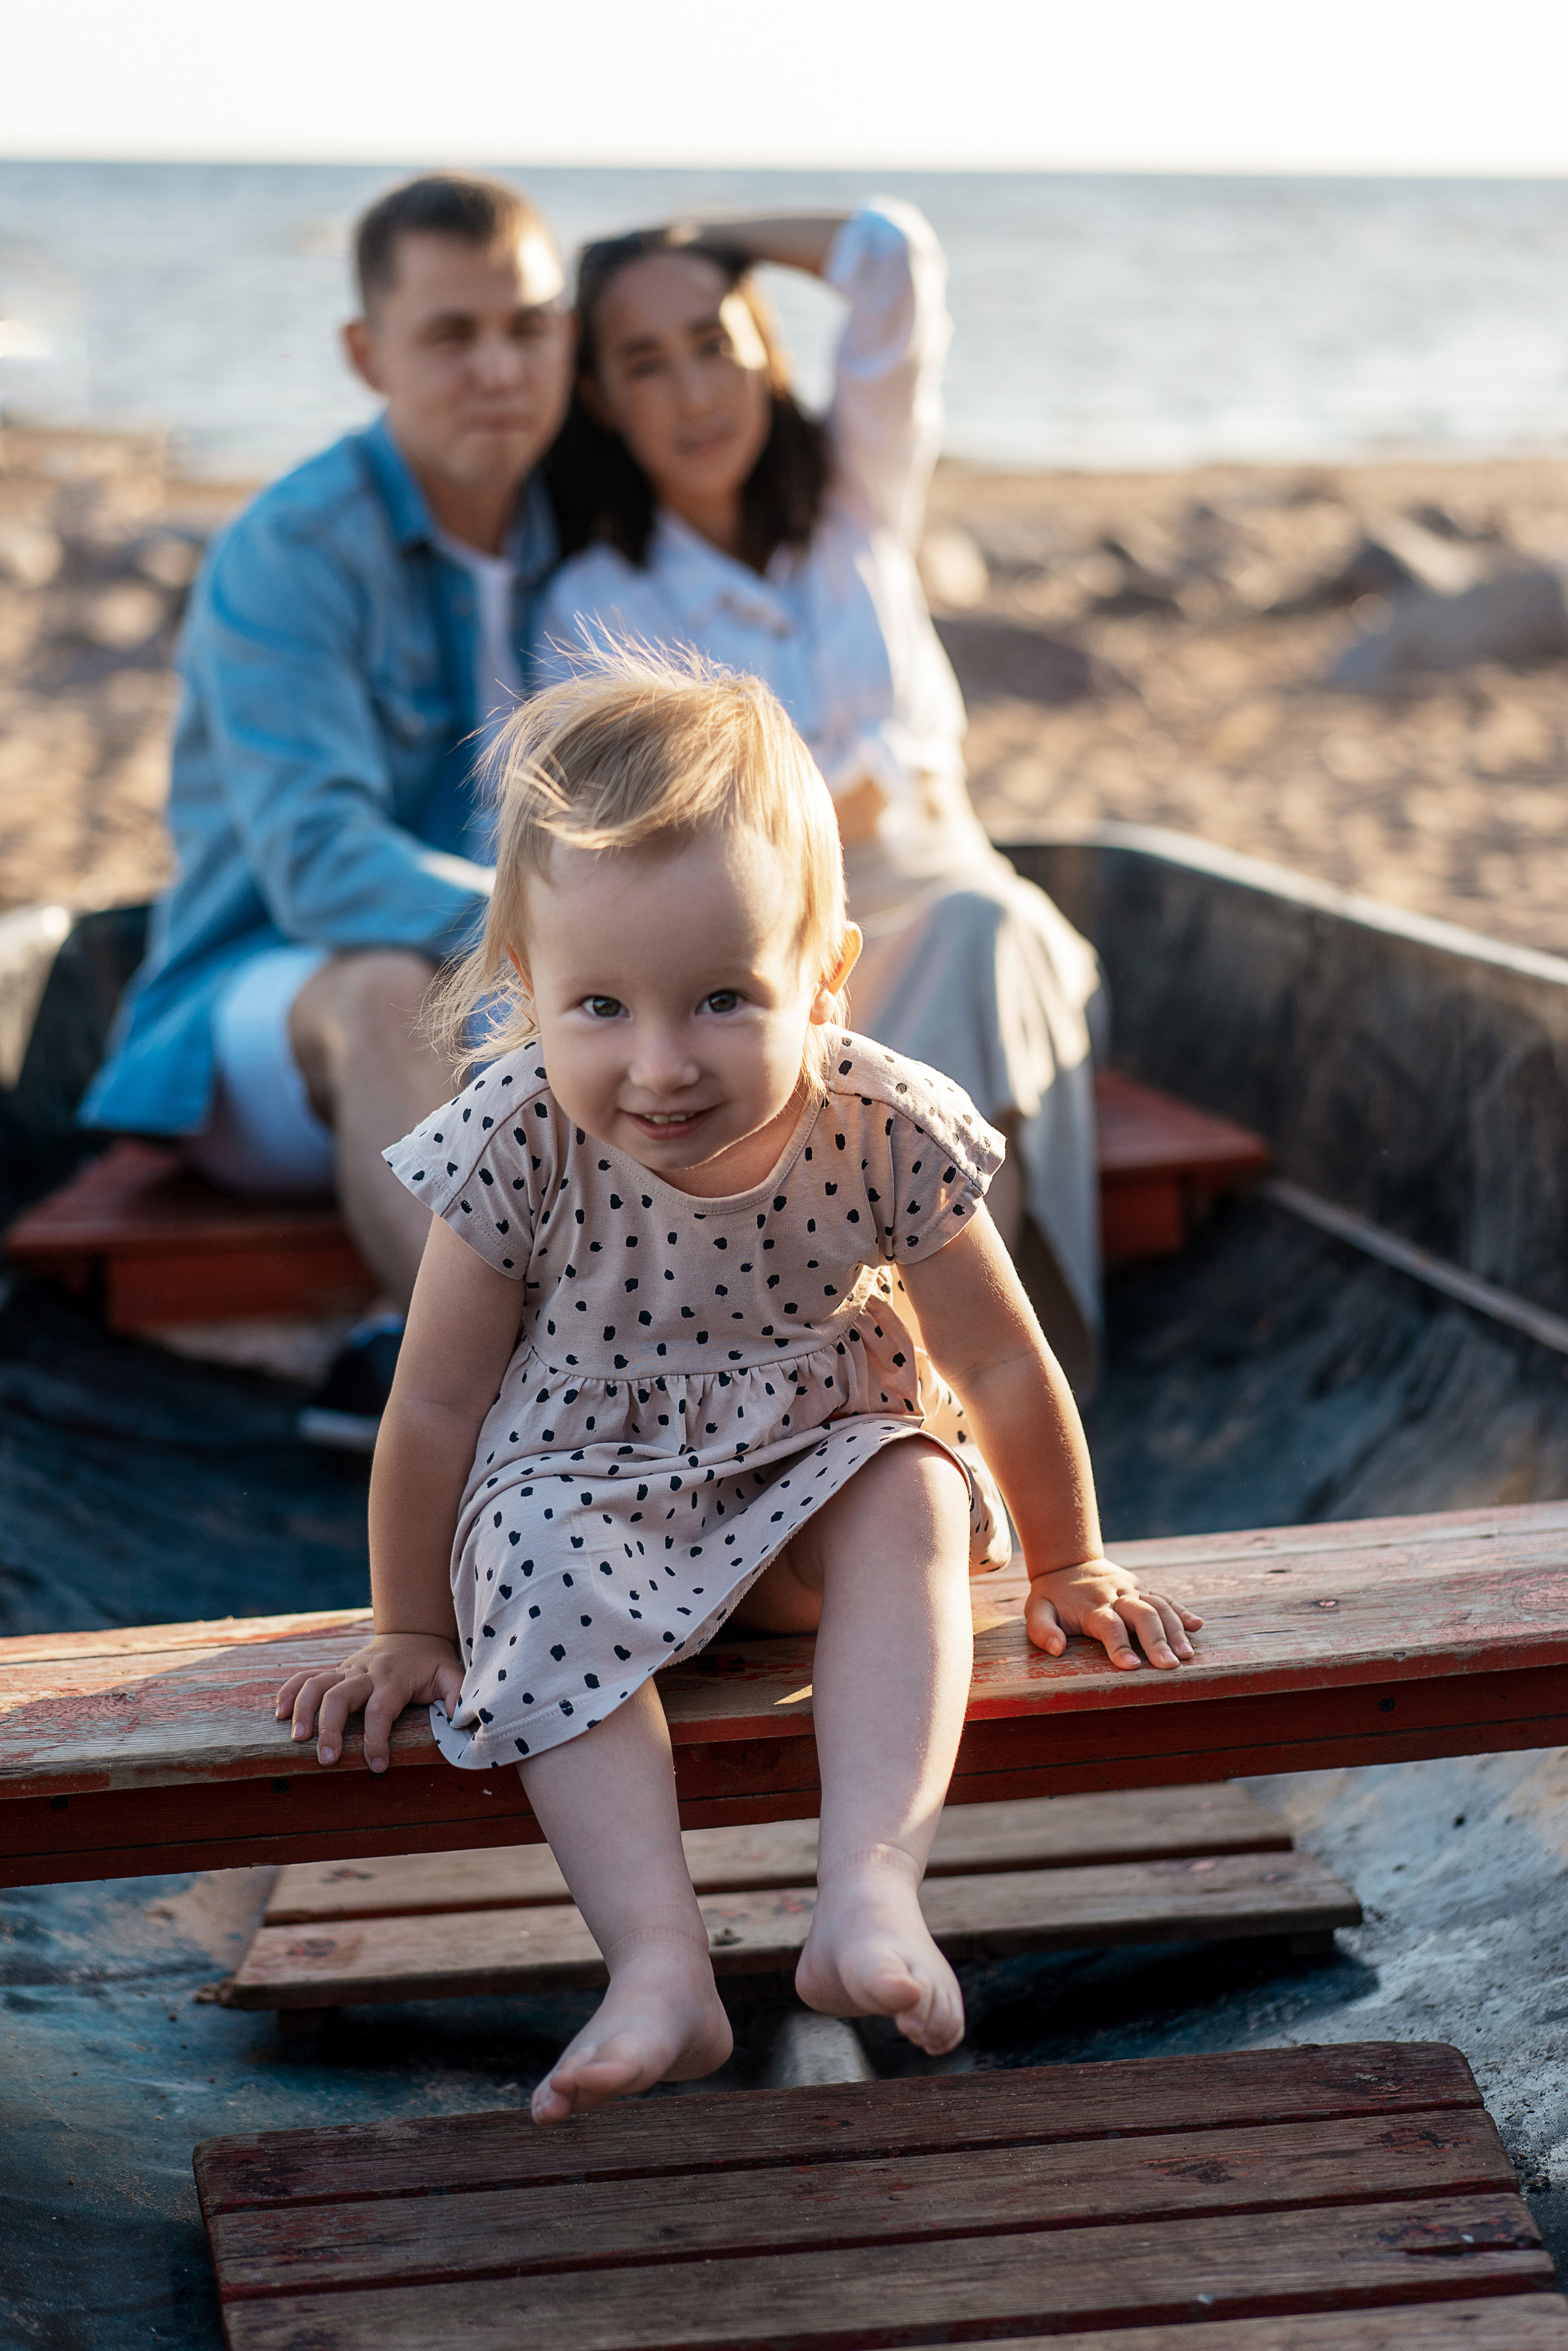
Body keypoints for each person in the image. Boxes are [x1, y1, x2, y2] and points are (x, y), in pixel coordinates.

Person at [276, 654, 1201, 2121]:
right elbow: (438, 1405)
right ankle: (657, 1964)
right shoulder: (511, 1134)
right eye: (597, 1006)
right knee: (523, 1547)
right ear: (526, 986)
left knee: (907, 1476)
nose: (658, 1065)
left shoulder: (880, 1119)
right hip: (588, 1492)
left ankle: (870, 1891)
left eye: (720, 998)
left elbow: (999, 1357)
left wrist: (1070, 1554)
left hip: (810, 1484)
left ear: (823, 971)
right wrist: (405, 1623)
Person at [533, 201, 1106, 1381]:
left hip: (969, 909)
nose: (695, 392)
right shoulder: (598, 601)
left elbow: (892, 259)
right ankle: (964, 1374)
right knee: (922, 979)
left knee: (988, 929)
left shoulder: (855, 504)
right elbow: (624, 845)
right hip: (787, 956)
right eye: (646, 361)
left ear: (764, 350)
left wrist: (700, 238)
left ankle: (983, 1372)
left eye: (716, 341)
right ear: (600, 397)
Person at [79, 173, 577, 1436]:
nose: (499, 369)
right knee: (378, 981)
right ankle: (528, 1416)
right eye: (451, 335)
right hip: (266, 1013)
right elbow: (319, 867)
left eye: (527, 326)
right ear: (368, 353)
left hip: (514, 1008)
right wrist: (574, 938)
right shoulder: (295, 546)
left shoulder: (580, 527)